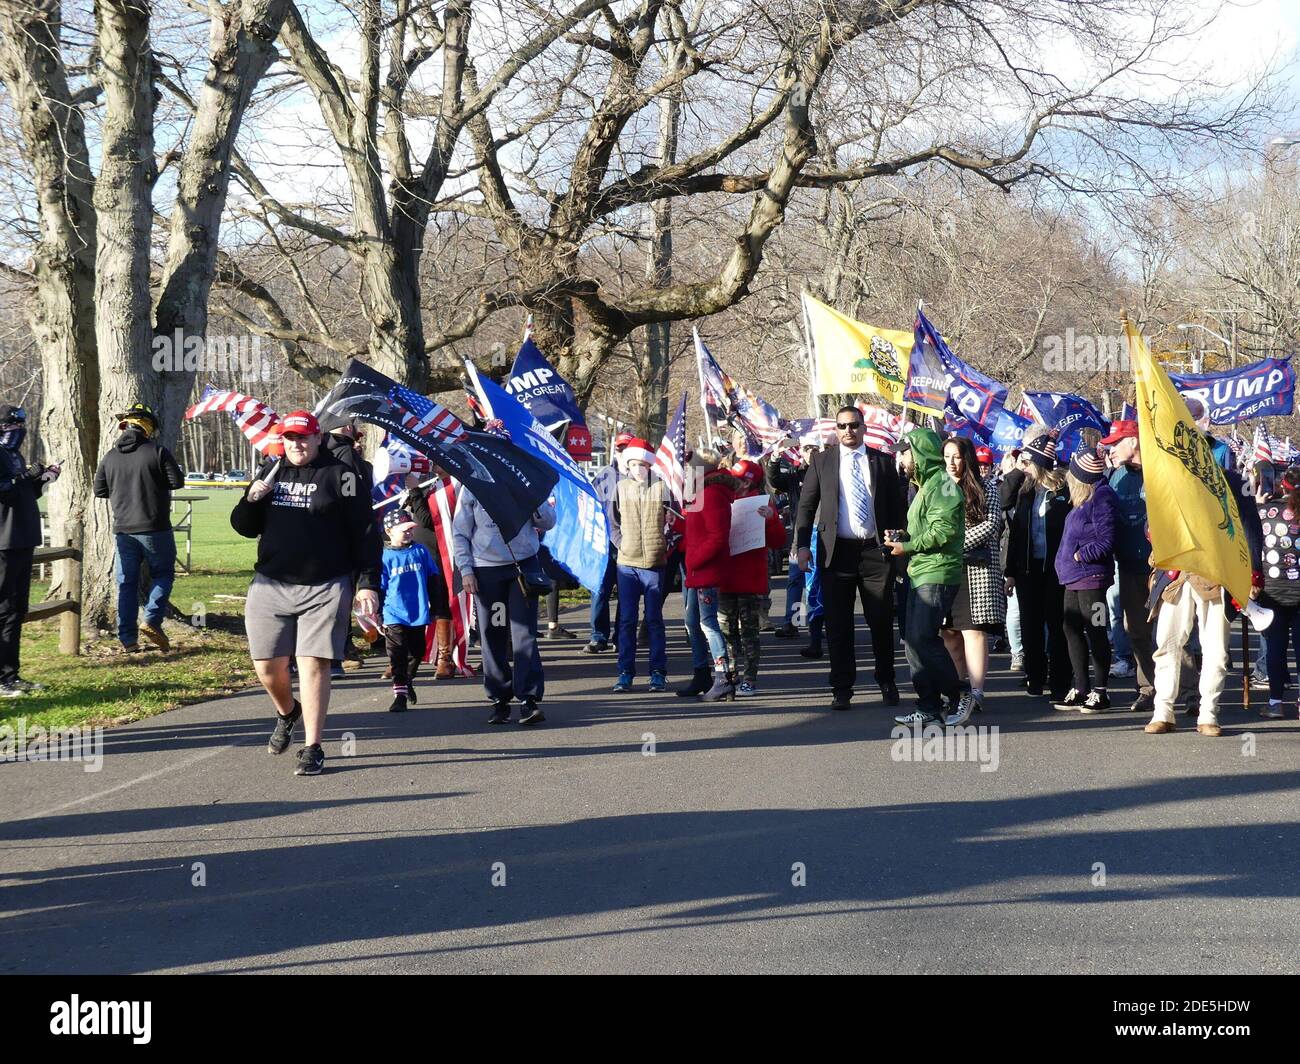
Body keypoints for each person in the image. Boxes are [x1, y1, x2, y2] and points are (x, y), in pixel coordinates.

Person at [231, 410, 381, 776]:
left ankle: (312, 747)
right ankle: (287, 712)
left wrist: (367, 584)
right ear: (282, 441)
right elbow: (243, 528)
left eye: (303, 438)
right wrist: (251, 499)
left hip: (325, 584)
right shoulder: (271, 470)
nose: (296, 444)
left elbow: (364, 532)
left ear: (317, 438)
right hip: (271, 582)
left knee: (314, 663)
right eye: (289, 438)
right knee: (267, 666)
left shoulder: (341, 474)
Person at [795, 406, 908, 711]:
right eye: (843, 426)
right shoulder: (822, 461)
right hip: (837, 552)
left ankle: (887, 681)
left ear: (863, 428)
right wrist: (802, 546)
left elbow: (897, 512)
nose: (848, 431)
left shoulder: (882, 462)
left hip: (875, 551)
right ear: (836, 428)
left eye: (854, 425)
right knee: (838, 624)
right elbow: (806, 507)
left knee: (881, 620)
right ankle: (842, 687)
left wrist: (898, 551)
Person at [452, 485, 556, 725]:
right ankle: (499, 698)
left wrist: (533, 500)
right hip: (487, 571)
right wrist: (466, 570)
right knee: (493, 633)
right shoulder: (472, 485)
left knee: (524, 633)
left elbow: (549, 522)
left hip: (523, 568)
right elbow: (460, 532)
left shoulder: (523, 481)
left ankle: (528, 699)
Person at [93, 402, 185, 654]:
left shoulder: (109, 456)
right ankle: (152, 620)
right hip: (156, 528)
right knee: (164, 574)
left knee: (126, 585)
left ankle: (128, 640)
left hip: (123, 531)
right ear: (148, 429)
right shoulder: (157, 451)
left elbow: (99, 490)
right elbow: (176, 482)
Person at [887, 428, 965, 726]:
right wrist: (902, 536)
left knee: (922, 637)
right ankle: (929, 705)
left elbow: (943, 532)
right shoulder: (926, 485)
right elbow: (925, 529)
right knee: (912, 640)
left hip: (937, 572)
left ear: (919, 453)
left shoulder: (943, 484)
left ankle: (960, 693)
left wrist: (905, 545)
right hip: (918, 571)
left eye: (905, 452)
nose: (901, 458)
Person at [940, 436, 1005, 725]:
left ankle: (977, 691)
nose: (951, 463)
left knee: (973, 631)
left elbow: (991, 525)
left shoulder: (987, 488)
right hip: (947, 571)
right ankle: (958, 689)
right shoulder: (939, 490)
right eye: (947, 457)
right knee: (950, 634)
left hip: (976, 570)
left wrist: (953, 542)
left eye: (956, 456)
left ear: (967, 458)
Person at [1005, 431, 1072, 700]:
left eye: (1029, 462)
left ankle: (1060, 681)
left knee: (1057, 626)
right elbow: (1016, 533)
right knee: (1030, 624)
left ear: (1041, 464)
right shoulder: (1024, 491)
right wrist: (1010, 572)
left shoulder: (1063, 490)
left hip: (1057, 570)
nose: (1025, 467)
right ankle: (1034, 676)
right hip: (1027, 569)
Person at [1053, 447, 1119, 711]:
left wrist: (1082, 555)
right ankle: (1081, 687)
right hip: (1072, 577)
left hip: (1093, 578)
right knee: (1071, 629)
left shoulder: (1102, 497)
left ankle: (1101, 691)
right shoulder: (1081, 500)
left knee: (1096, 630)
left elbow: (1107, 539)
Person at [0, 405, 58, 697]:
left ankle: (11, 675)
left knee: (16, 611)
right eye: (12, 426)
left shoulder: (14, 455)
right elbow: (5, 490)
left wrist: (42, 478)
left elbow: (23, 492)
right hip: (4, 543)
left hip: (24, 539)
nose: (18, 431)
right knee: (2, 610)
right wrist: (23, 478)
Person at [718, 459, 787, 696]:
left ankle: (749, 678)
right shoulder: (724, 497)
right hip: (726, 575)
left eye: (743, 479)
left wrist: (771, 519)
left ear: (752, 481)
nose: (738, 482)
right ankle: (731, 672)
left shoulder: (763, 502)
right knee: (727, 629)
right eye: (736, 477)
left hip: (750, 577)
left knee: (749, 631)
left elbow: (778, 541)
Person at [1101, 419, 1155, 711]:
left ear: (1134, 441)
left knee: (1175, 631)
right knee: (1135, 629)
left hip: (1165, 567)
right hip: (1130, 566)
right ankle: (1148, 688)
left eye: (1115, 443)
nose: (1110, 450)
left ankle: (1188, 692)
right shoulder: (1115, 476)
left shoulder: (1160, 468)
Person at [612, 438, 670, 692]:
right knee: (627, 620)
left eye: (643, 465)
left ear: (650, 466)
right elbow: (612, 522)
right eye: (633, 464)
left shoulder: (661, 487)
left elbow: (676, 518)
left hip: (655, 564)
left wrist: (666, 541)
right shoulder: (620, 488)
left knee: (654, 620)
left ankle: (657, 672)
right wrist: (621, 543)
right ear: (627, 465)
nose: (638, 469)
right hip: (627, 564)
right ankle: (625, 672)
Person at [684, 451, 737, 701]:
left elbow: (717, 536)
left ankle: (723, 677)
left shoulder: (712, 494)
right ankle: (704, 673)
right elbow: (695, 528)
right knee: (692, 622)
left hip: (706, 569)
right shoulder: (699, 494)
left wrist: (694, 559)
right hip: (698, 569)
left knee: (708, 624)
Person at [379, 507, 440, 713]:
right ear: (389, 531)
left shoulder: (420, 551)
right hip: (394, 613)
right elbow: (380, 588)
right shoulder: (385, 557)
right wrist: (377, 614)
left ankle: (407, 680)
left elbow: (433, 578)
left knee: (417, 651)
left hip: (419, 611)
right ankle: (400, 696)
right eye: (403, 529)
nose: (408, 532)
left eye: (410, 529)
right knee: (397, 654)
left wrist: (437, 605)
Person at [1255, 466, 1300, 720]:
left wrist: (1258, 503)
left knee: (1276, 647)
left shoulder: (1265, 513)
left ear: (1283, 486)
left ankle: (1275, 702)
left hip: (1273, 591)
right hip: (1292, 590)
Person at [585, 432, 632, 653]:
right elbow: (591, 507)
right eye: (620, 448)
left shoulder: (644, 477)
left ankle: (621, 637)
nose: (623, 452)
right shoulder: (603, 476)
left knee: (626, 592)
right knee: (600, 589)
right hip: (605, 544)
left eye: (627, 448)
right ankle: (598, 636)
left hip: (630, 543)